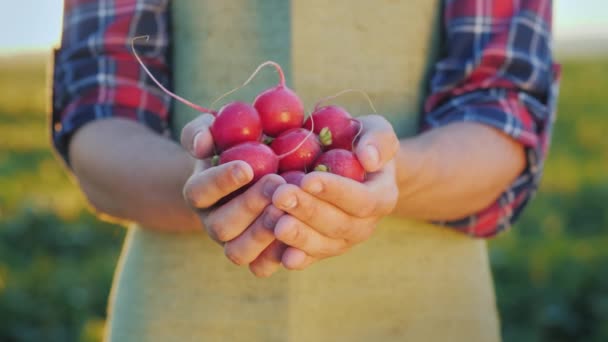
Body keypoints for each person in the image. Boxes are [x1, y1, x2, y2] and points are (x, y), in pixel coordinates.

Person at [52, 0, 559, 340]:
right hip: (180, 314)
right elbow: (101, 119)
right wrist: (204, 184)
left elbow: (500, 110)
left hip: (428, 314)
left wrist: (390, 174)